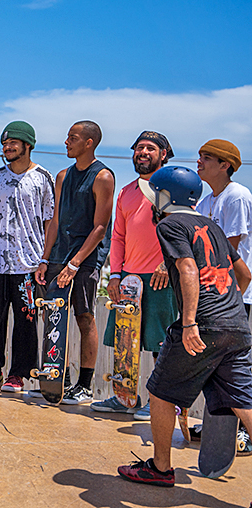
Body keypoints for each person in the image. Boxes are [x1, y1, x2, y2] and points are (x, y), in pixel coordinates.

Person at [117, 165, 252, 487]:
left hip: (202, 325)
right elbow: (244, 274)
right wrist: (229, 310)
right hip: (237, 324)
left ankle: (160, 468)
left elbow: (188, 269)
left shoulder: (171, 225)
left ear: (164, 196)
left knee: (161, 393)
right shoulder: (212, 226)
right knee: (243, 401)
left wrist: (190, 322)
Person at [92, 131, 177, 417]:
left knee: (160, 344)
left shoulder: (172, 188)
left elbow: (182, 231)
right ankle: (125, 398)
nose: (142, 152)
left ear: (164, 154)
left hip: (161, 277)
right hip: (129, 277)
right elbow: (117, 236)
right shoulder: (127, 192)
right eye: (138, 147)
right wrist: (114, 274)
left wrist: (168, 263)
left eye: (150, 148)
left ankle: (162, 403)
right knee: (125, 342)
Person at [35, 120, 115, 404]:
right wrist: (46, 258)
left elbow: (100, 228)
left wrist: (75, 263)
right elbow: (55, 220)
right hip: (58, 256)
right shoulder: (62, 176)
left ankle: (84, 384)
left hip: (85, 259)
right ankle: (57, 378)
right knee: (53, 315)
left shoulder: (102, 176)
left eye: (73, 138)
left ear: (89, 142)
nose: (66, 142)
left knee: (84, 317)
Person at [0, 121, 54, 390]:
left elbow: (49, 221)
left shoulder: (42, 178)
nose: (7, 147)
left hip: (28, 263)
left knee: (25, 320)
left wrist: (45, 258)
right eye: (5, 143)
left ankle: (18, 373)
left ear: (27, 145)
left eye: (13, 143)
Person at [195, 138, 252, 455]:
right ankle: (219, 425)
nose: (199, 162)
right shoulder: (207, 202)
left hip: (236, 297)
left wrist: (228, 305)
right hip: (217, 298)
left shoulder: (237, 196)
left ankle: (244, 431)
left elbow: (225, 252)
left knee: (236, 367)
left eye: (206, 157)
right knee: (214, 366)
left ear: (225, 165)